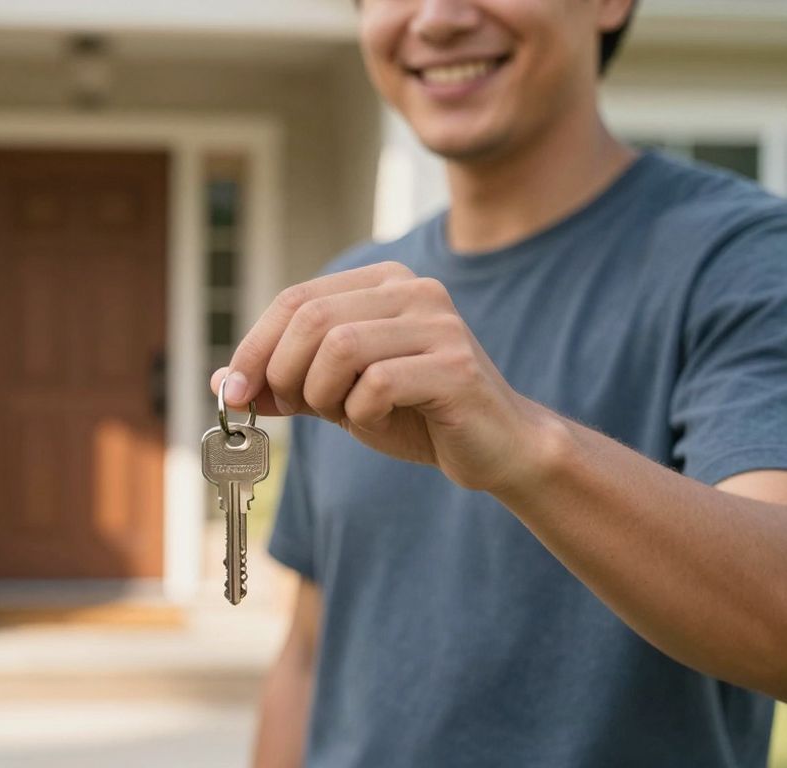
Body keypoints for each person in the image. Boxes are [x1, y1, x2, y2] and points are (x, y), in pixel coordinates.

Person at [211, 0, 787, 765]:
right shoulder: (347, 307)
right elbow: (313, 654)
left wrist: (525, 447)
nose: (438, 18)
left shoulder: (745, 261)